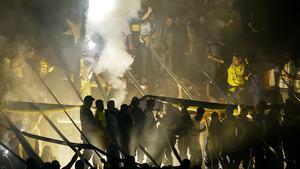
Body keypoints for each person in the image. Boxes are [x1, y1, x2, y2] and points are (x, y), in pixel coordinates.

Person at [80, 96, 103, 169]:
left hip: (90, 135)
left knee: (90, 153)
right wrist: (97, 125)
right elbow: (90, 123)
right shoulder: (86, 110)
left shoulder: (87, 110)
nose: (91, 103)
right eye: (90, 101)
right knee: (88, 153)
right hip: (89, 135)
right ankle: (83, 167)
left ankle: (85, 166)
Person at [129, 97, 145, 163]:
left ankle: (139, 162)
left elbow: (142, 122)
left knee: (139, 151)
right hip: (134, 134)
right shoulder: (130, 111)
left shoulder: (139, 111)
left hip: (138, 133)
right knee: (133, 151)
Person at [105, 100, 120, 168]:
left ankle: (117, 164)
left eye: (112, 104)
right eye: (110, 105)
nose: (111, 106)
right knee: (110, 150)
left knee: (116, 150)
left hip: (116, 134)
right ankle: (110, 164)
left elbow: (120, 118)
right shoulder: (105, 112)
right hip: (109, 134)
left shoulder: (116, 111)